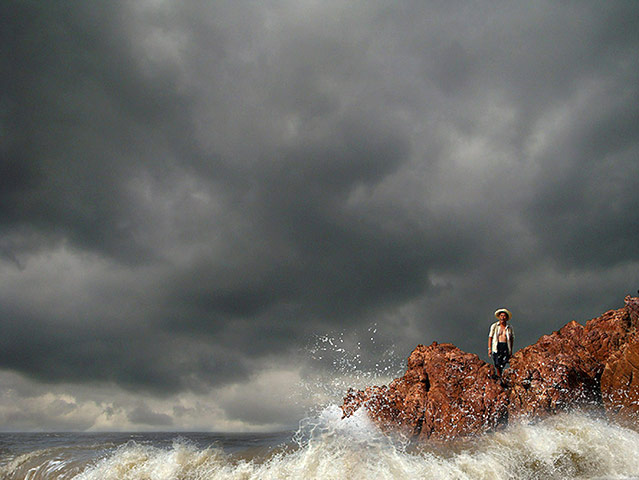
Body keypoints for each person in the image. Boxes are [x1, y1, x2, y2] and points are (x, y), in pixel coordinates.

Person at [488, 308, 514, 378]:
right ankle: (499, 375)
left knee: (504, 360)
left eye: (504, 316)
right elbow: (490, 337)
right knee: (497, 362)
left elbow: (511, 339)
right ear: (499, 317)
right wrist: (489, 349)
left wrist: (510, 350)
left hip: (505, 345)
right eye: (501, 316)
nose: (502, 317)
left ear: (506, 317)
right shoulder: (494, 326)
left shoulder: (509, 327)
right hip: (497, 345)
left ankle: (501, 374)